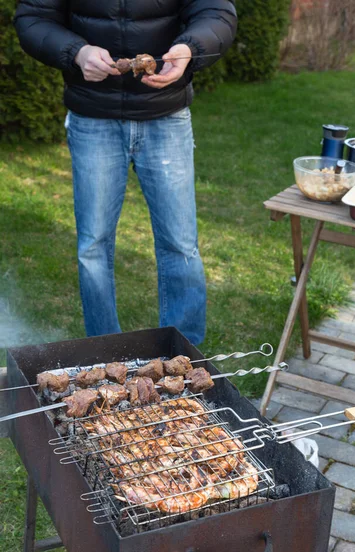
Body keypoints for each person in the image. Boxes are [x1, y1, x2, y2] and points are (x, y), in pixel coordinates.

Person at [14, 1, 237, 345]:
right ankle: (104, 354)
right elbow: (33, 17)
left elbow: (216, 11)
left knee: (180, 244)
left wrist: (189, 49)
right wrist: (77, 52)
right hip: (92, 117)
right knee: (93, 246)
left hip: (166, 116)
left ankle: (183, 357)